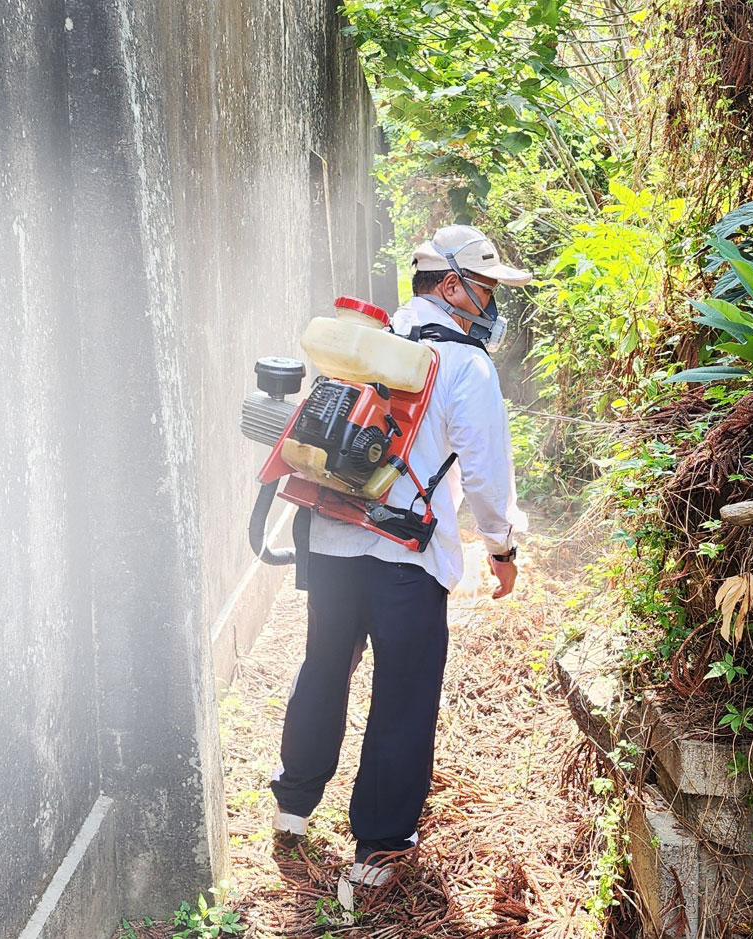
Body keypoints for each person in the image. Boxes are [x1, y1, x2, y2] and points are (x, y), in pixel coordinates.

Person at [269, 224, 530, 892]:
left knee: (325, 664)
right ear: (454, 287)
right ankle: (379, 847)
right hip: (407, 555)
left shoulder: (365, 341)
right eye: (487, 287)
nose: (492, 301)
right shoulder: (465, 365)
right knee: (403, 693)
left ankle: (292, 805)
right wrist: (501, 545)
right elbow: (486, 475)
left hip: (332, 537)